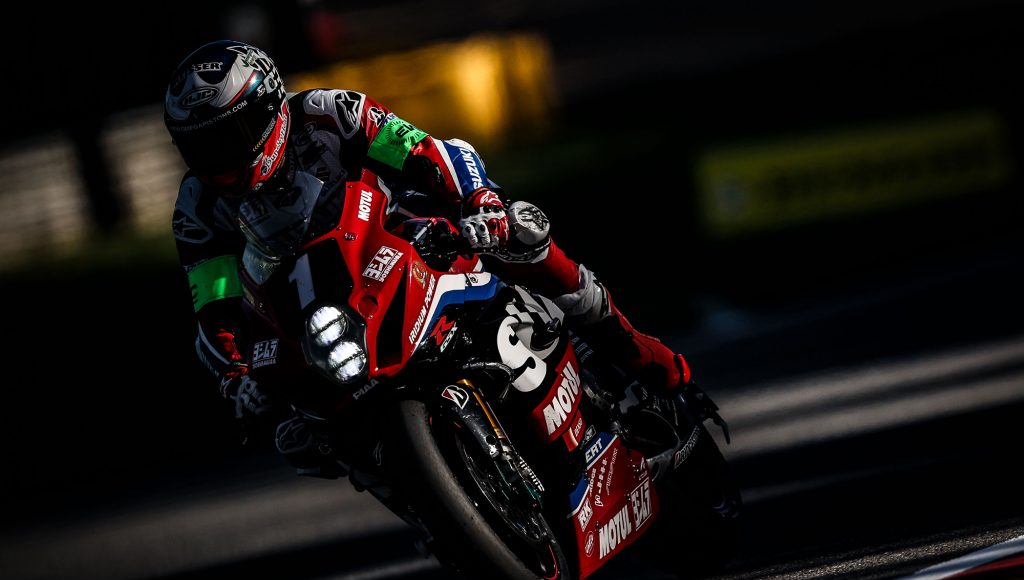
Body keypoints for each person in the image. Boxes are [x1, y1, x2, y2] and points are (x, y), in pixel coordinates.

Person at [164, 39, 692, 462]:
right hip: (316, 309)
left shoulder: (328, 113)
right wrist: (236, 378)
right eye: (200, 146)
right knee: (305, 435)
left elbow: (423, 149)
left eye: (230, 136)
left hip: (400, 233)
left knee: (520, 234)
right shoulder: (196, 207)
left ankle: (630, 346)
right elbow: (214, 304)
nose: (218, 158)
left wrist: (480, 205)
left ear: (268, 108)